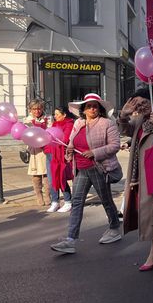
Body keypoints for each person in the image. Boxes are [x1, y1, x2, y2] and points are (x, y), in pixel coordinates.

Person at [50, 94, 123, 254]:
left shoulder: (107, 124)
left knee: (106, 200)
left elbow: (115, 145)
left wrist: (94, 152)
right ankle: (70, 239)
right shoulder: (78, 122)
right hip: (81, 169)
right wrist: (69, 151)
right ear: (83, 109)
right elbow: (71, 141)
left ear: (100, 108)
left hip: (98, 168)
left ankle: (115, 228)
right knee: (77, 203)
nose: (92, 109)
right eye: (88, 106)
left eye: (95, 106)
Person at [119, 88, 153, 271]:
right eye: (136, 103)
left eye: (142, 102)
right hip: (140, 172)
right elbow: (125, 130)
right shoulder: (140, 118)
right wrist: (123, 115)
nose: (139, 106)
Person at [24, 99, 52, 210]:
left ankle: (47, 195)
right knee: (36, 174)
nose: (37, 111)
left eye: (39, 108)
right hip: (34, 150)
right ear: (30, 110)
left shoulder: (48, 118)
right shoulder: (27, 120)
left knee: (46, 173)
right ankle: (38, 195)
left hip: (46, 148)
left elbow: (50, 131)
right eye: (34, 109)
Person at [49, 106, 75, 213]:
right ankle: (55, 201)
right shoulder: (54, 124)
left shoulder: (69, 124)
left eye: (57, 114)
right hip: (53, 153)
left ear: (64, 115)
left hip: (63, 155)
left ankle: (68, 201)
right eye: (54, 115)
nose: (55, 117)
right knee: (53, 178)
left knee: (62, 178)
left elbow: (65, 138)